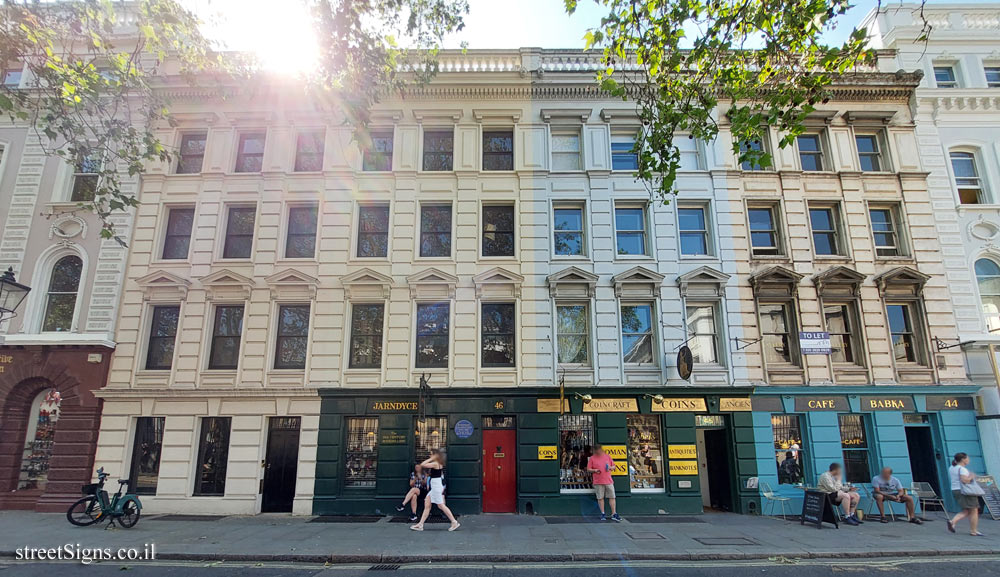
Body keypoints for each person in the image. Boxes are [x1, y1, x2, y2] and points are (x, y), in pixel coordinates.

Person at [410, 449, 460, 532]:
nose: (430, 455)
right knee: (427, 504)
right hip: (434, 487)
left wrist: (432, 458)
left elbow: (423, 464)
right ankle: (420, 524)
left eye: (431, 454)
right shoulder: (437, 463)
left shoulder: (436, 463)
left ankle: (454, 522)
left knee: (441, 505)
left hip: (436, 487)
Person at [948, 452, 983, 536]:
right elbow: (964, 480)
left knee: (967, 510)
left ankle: (953, 522)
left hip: (955, 489)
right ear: (963, 459)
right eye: (967, 458)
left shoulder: (952, 468)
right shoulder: (962, 469)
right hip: (965, 491)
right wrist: (971, 476)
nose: (968, 460)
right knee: (974, 509)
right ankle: (973, 530)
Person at [586, 444, 621, 522]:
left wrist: (610, 468)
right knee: (600, 497)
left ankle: (614, 513)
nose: (598, 451)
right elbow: (588, 469)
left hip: (608, 480)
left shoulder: (607, 456)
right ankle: (602, 513)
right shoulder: (592, 458)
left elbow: (614, 466)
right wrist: (595, 470)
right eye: (597, 450)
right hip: (598, 481)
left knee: (612, 497)